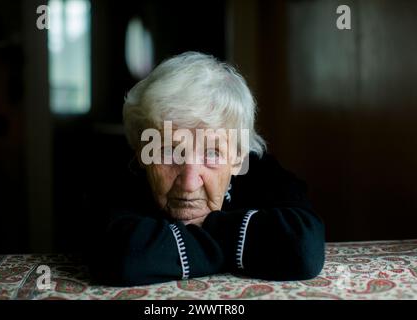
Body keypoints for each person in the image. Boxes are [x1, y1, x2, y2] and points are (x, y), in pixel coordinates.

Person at [87, 52, 325, 286]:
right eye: (169, 151)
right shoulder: (120, 175)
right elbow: (121, 258)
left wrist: (200, 231)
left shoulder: (259, 171)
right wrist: (247, 242)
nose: (189, 183)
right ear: (141, 152)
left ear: (238, 157)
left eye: (212, 153)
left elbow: (302, 249)